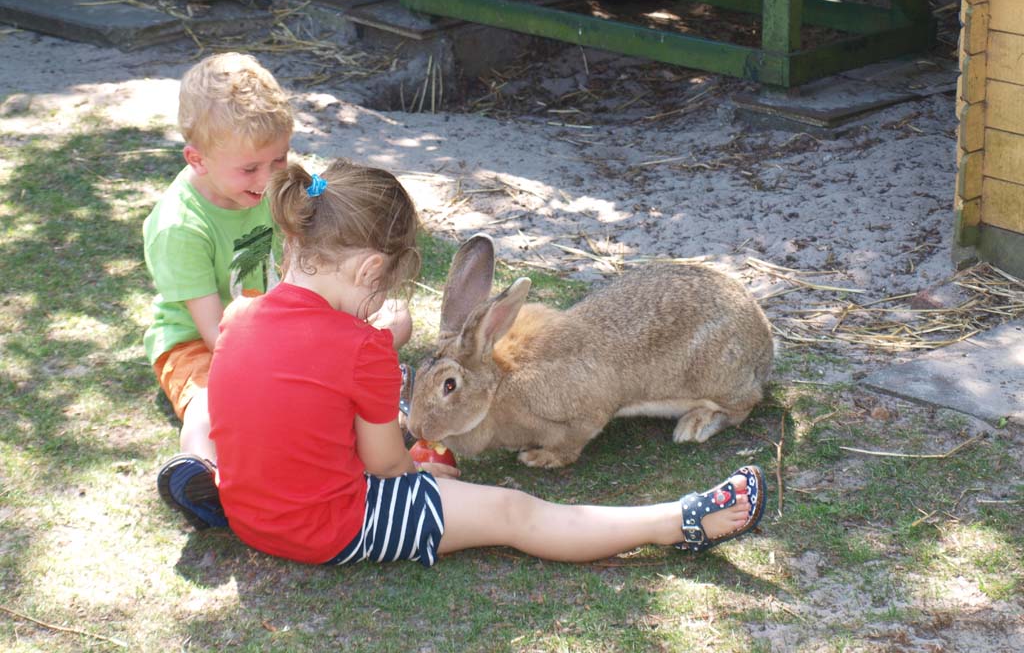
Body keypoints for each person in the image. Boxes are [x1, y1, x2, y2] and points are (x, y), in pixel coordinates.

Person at [205, 158, 767, 567]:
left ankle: (191, 469)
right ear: (369, 270)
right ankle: (677, 521)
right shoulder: (362, 349)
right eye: (378, 296)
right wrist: (416, 468)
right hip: (329, 529)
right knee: (515, 513)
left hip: (249, 515)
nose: (374, 312)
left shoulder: (238, 316)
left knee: (206, 419)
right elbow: (385, 467)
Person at [143, 52, 413, 530]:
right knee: (211, 397)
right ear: (197, 159)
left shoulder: (281, 187)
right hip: (204, 344)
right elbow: (218, 340)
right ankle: (200, 468)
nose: (268, 179)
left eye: (279, 159)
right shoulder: (178, 227)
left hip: (279, 326)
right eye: (250, 169)